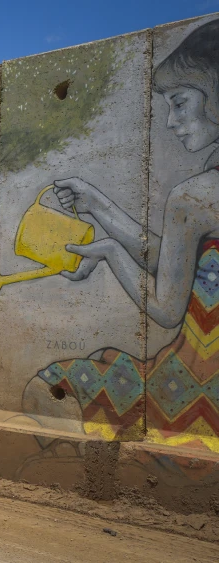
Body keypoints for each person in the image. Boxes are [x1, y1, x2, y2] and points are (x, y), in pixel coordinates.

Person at [24, 20, 219, 451]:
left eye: (181, 102)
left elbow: (167, 309)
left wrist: (112, 250)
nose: (171, 122)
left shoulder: (194, 197)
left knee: (51, 387)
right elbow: (178, 262)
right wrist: (99, 205)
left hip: (195, 385)